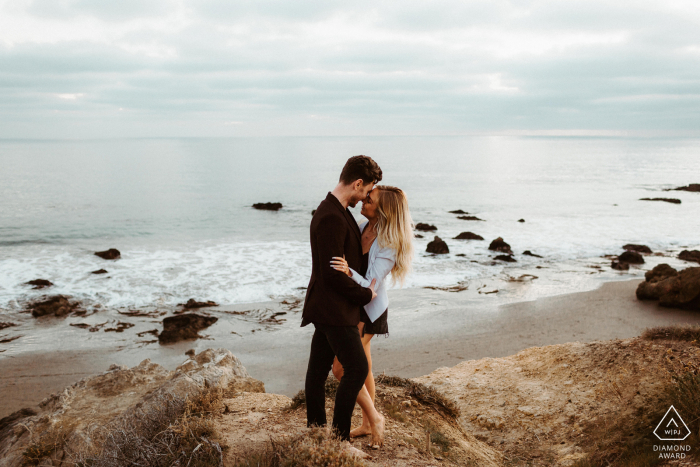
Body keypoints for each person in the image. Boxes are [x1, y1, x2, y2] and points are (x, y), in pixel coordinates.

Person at [301, 155, 386, 446]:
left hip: (327, 307)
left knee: (316, 373)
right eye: (366, 190)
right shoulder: (330, 217)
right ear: (358, 183)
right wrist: (366, 294)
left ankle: (317, 433)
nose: (364, 197)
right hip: (333, 309)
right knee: (358, 368)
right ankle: (338, 440)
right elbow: (332, 275)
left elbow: (340, 268)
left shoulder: (335, 210)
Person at [330, 185, 414, 440]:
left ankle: (375, 418)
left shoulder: (389, 243)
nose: (364, 200)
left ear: (383, 209)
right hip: (354, 306)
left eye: (370, 198)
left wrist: (347, 272)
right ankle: (367, 424)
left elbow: (370, 286)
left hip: (369, 310)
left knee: (341, 368)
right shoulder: (362, 226)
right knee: (363, 368)